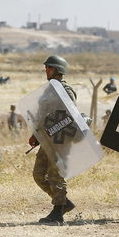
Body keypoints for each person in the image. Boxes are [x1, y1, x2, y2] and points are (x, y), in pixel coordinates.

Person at [28, 56, 77, 225]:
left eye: (50, 68)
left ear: (58, 71)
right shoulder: (48, 90)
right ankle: (64, 202)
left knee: (56, 175)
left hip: (60, 139)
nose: (46, 70)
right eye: (46, 68)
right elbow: (43, 115)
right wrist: (36, 133)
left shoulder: (66, 91)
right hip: (47, 138)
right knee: (38, 174)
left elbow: (69, 116)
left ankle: (58, 211)